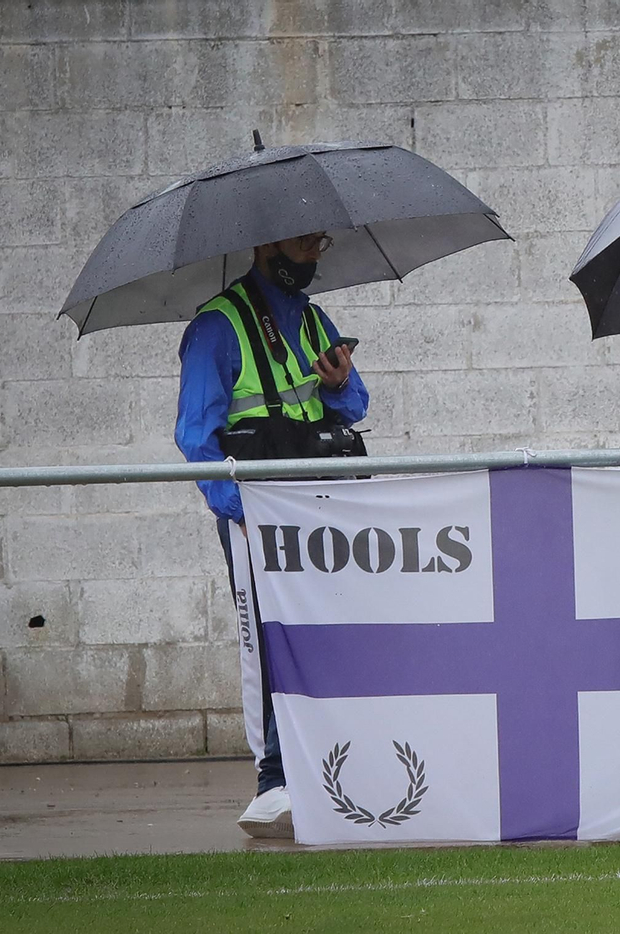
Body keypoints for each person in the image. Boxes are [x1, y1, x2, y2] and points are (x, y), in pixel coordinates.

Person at [174, 232, 369, 837]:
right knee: (265, 640)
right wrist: (239, 509)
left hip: (321, 511)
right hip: (255, 515)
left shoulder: (314, 321)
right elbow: (195, 436)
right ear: (263, 243)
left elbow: (357, 405)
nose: (314, 253)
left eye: (319, 241)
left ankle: (324, 773)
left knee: (326, 639)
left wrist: (339, 384)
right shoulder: (217, 326)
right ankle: (274, 781)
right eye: (303, 242)